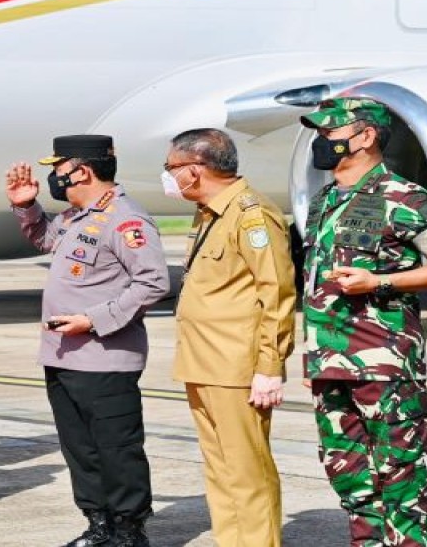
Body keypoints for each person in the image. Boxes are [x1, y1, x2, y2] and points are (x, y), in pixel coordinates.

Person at [6, 135, 170, 547]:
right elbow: (45, 240)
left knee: (117, 450)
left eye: (59, 168)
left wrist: (93, 321)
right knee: (80, 449)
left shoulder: (126, 219)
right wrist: (27, 206)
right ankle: (99, 524)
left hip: (105, 358)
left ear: (81, 171)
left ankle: (130, 530)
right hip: (63, 357)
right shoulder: (76, 216)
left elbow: (152, 282)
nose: (54, 177)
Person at [298, 98, 427, 547]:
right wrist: (313, 354)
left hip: (384, 363)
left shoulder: (405, 198)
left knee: (398, 474)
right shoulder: (325, 198)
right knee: (349, 475)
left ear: (364, 137)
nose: (322, 142)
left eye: (330, 133)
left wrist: (380, 281)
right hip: (330, 360)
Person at [163, 128, 295, 547]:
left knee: (247, 472)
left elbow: (276, 293)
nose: (169, 177)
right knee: (220, 470)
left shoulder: (252, 215)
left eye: (172, 169)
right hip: (204, 363)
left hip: (237, 368)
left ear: (195, 170)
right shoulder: (209, 212)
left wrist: (270, 367)